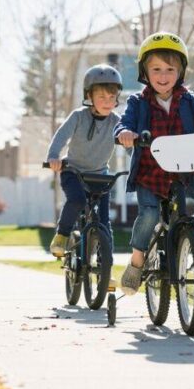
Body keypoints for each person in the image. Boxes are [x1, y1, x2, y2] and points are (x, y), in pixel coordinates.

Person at [115, 31, 194, 295]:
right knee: (148, 214)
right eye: (156, 69)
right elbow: (124, 123)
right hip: (152, 172)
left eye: (170, 69)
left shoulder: (188, 99)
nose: (163, 76)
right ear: (145, 72)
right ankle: (137, 262)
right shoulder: (138, 102)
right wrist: (124, 134)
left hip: (187, 168)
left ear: (180, 71)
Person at [46, 64, 123, 258]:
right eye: (101, 97)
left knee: (104, 223)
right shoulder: (79, 116)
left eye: (111, 97)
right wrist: (53, 157)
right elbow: (61, 136)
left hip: (99, 176)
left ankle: (107, 267)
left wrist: (142, 163)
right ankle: (62, 234)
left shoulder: (116, 121)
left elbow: (129, 146)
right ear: (89, 97)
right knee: (77, 200)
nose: (107, 102)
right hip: (73, 171)